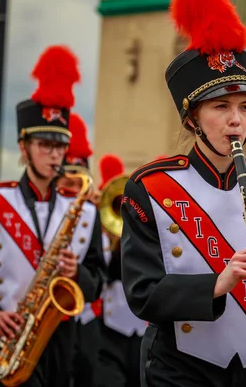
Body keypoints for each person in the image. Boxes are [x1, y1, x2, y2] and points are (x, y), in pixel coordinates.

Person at [120, 0, 246, 386]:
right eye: (221, 107)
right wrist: (220, 282)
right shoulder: (152, 187)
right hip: (177, 367)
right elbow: (141, 294)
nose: (235, 121)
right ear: (192, 119)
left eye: (244, 107)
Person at [0, 45, 105, 387]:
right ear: (24, 147)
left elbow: (97, 281)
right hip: (4, 338)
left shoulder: (85, 211)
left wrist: (76, 271)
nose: (54, 155)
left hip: (62, 344)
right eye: (45, 145)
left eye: (60, 146)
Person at [56, 112, 105, 387]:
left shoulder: (90, 216)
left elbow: (100, 277)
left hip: (83, 325)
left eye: (80, 184)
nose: (75, 191)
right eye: (68, 183)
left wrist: (78, 273)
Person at [95, 153, 147, 387]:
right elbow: (101, 271)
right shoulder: (103, 238)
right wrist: (105, 234)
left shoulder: (143, 237)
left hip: (142, 331)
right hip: (110, 330)